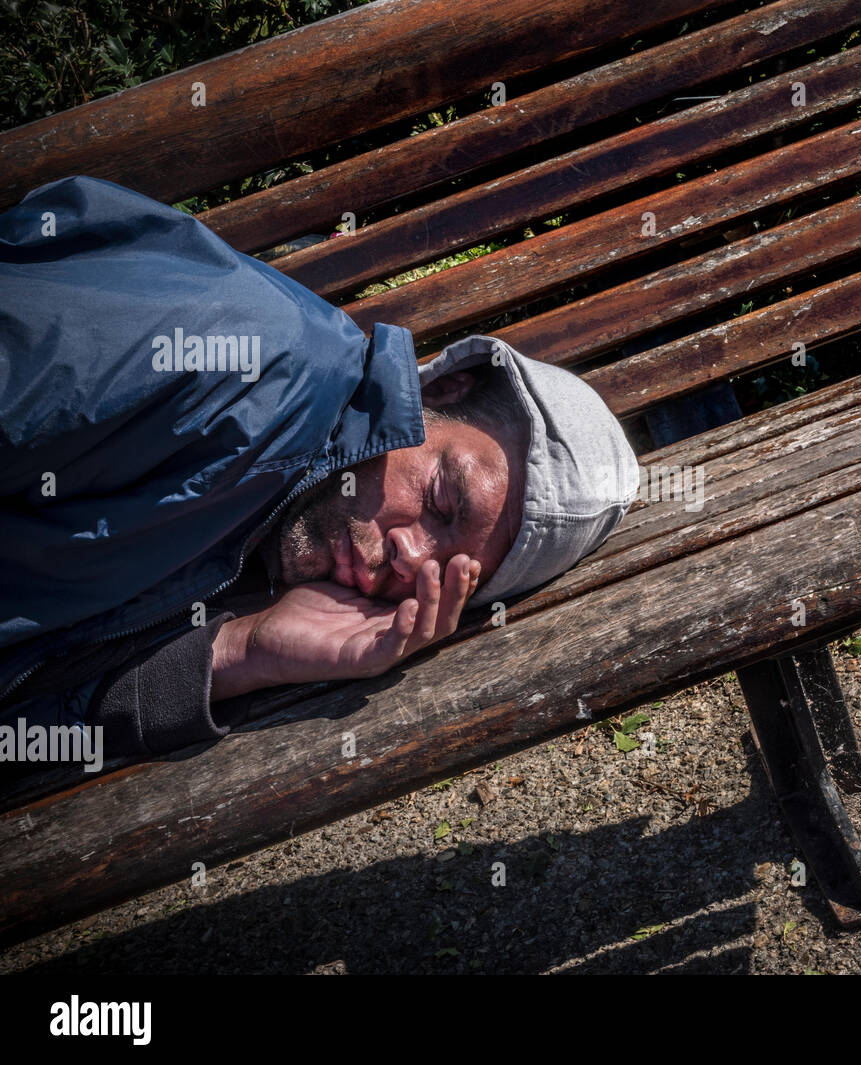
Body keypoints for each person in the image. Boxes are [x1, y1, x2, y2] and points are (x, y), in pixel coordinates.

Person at [0, 175, 640, 767]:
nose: (410, 554)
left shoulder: (278, 546)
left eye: (449, 575)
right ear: (443, 392)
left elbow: (24, 736)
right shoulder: (228, 357)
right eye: (444, 500)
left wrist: (240, 653)